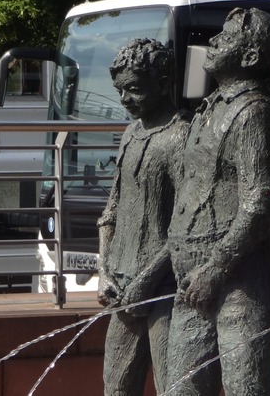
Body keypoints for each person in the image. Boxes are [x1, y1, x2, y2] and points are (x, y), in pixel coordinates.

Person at [165, 7, 270, 396]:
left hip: (240, 280)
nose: (214, 40)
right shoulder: (208, 109)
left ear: (251, 57)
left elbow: (259, 205)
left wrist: (216, 267)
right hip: (193, 279)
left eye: (228, 35)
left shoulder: (254, 110)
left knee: (245, 388)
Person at [96, 38, 189, 396]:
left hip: (166, 289)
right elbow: (111, 212)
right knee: (117, 386)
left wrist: (149, 279)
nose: (124, 100)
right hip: (121, 285)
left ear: (163, 83)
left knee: (173, 386)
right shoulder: (130, 135)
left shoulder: (181, 136)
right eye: (120, 91)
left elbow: (186, 224)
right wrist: (103, 272)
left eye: (134, 89)